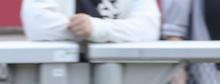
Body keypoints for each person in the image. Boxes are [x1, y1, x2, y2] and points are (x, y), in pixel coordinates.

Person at [21, 0, 159, 41]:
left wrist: (97, 29)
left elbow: (149, 29)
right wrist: (84, 30)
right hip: (60, 79)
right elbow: (38, 24)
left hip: (123, 82)